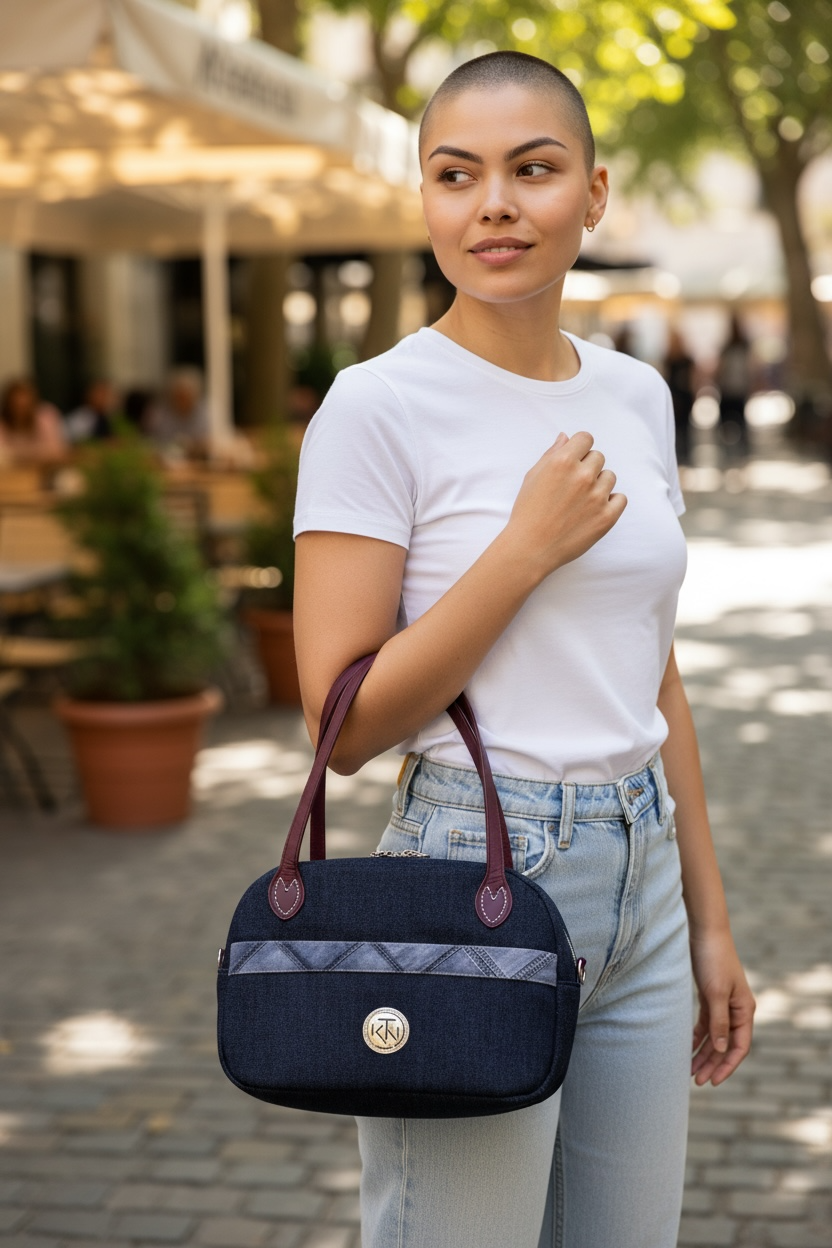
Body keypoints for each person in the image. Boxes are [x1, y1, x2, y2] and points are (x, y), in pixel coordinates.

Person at [292, 52, 755, 1248]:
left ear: (593, 193)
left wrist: (705, 919)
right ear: (428, 203)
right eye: (456, 175)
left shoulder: (637, 395)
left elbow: (652, 672)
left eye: (531, 169)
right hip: (469, 870)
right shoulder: (376, 406)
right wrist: (520, 552)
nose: (492, 203)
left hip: (641, 868)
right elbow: (338, 730)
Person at [0, 377, 67, 464]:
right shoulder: (3, 424)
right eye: (16, 406)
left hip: (46, 469)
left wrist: (18, 455)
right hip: (15, 473)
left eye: (24, 406)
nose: (20, 410)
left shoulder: (46, 416)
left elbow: (57, 450)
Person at [147, 367, 209, 458]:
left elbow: (205, 441)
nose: (182, 401)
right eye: (179, 396)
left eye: (185, 396)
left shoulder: (202, 412)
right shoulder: (159, 413)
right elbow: (153, 441)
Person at [716, 313, 753, 459]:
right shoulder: (730, 347)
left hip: (735, 390)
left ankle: (739, 450)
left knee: (737, 422)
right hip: (730, 389)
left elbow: (749, 368)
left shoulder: (741, 346)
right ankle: (732, 449)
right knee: (731, 421)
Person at [663, 327, 697, 466]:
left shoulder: (671, 358)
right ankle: (684, 456)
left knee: (678, 429)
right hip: (681, 396)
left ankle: (681, 456)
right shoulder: (678, 359)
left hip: (677, 396)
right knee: (683, 429)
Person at [65, 379, 119, 444]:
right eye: (101, 395)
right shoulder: (82, 418)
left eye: (107, 394)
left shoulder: (105, 418)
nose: (106, 399)